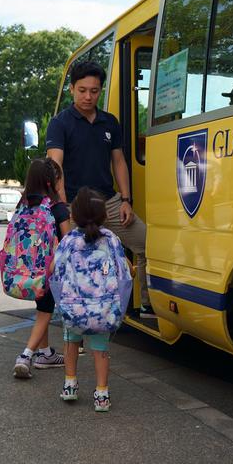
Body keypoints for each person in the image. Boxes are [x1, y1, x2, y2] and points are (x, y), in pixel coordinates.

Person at [46, 60, 154, 318]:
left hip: (109, 202)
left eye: (94, 91)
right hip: (74, 206)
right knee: (74, 262)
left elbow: (118, 161)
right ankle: (75, 325)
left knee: (149, 245)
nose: (88, 96)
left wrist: (126, 199)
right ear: (72, 89)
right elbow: (54, 166)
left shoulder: (109, 122)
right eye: (82, 90)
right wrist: (62, 209)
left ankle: (149, 304)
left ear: (101, 90)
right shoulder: (59, 123)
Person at [52, 187, 132, 412]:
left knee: (71, 343)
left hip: (73, 309)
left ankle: (70, 385)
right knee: (101, 350)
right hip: (103, 310)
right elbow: (124, 272)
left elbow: (55, 270)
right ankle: (102, 394)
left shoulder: (69, 240)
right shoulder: (111, 240)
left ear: (73, 216)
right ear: (104, 215)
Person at [12, 158, 69, 379]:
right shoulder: (57, 207)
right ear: (52, 182)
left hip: (26, 268)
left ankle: (45, 354)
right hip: (49, 270)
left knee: (41, 307)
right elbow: (67, 240)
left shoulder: (23, 204)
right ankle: (25, 356)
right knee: (46, 311)